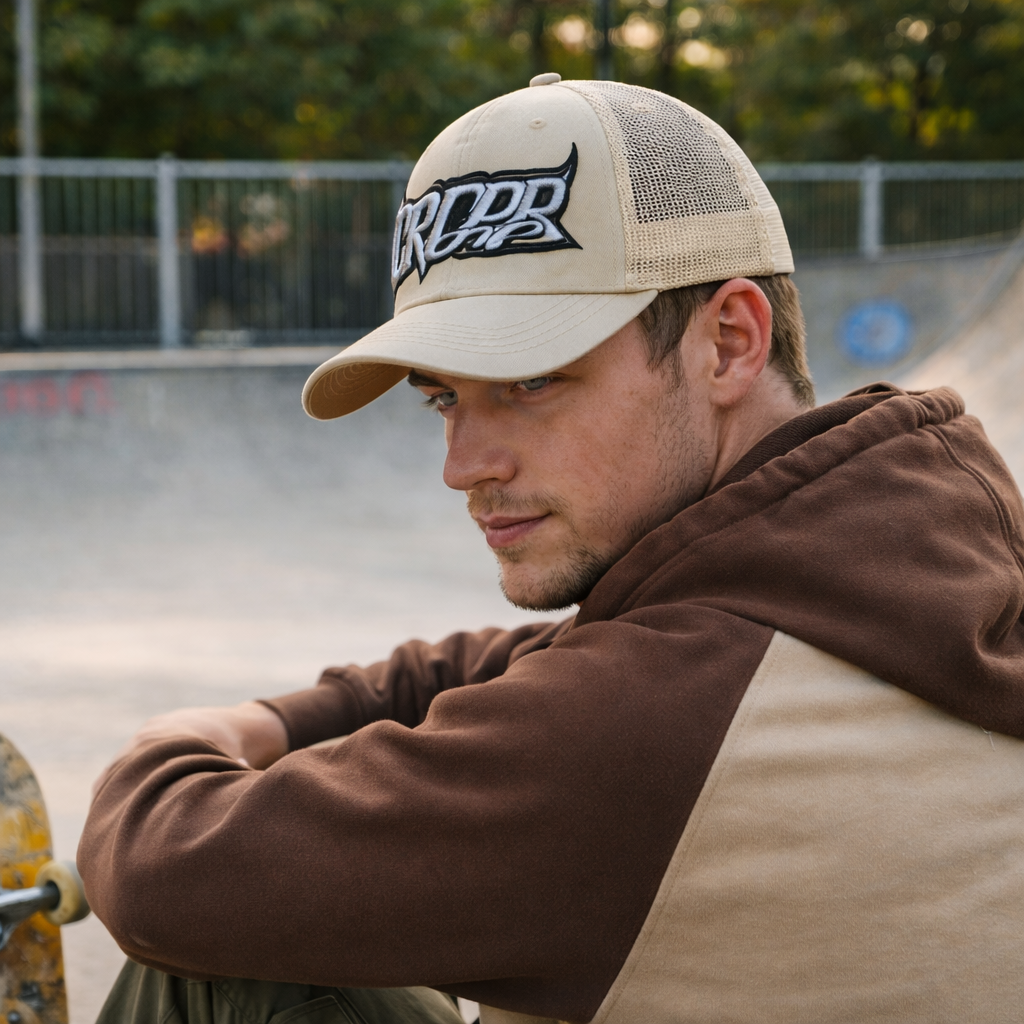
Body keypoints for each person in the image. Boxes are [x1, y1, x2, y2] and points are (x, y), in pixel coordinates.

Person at [79, 76, 1024, 1024]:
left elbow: (165, 870)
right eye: (443, 397)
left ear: (729, 343)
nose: (462, 465)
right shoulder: (909, 572)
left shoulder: (643, 731)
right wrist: (291, 714)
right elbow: (538, 662)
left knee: (221, 964)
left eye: (530, 380)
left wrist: (175, 742)